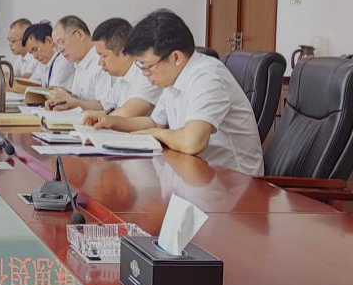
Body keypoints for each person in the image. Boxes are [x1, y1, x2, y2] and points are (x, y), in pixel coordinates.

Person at [84, 10, 263, 176]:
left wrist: (156, 133)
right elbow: (155, 122)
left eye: (147, 66)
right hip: (197, 173)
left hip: (236, 183)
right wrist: (112, 122)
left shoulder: (207, 77)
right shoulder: (173, 77)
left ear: (176, 57)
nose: (145, 74)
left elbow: (193, 142)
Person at [48, 18, 160, 117]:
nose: (100, 62)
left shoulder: (145, 74)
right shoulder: (122, 76)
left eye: (104, 56)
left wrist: (97, 117)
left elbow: (127, 113)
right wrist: (71, 103)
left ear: (125, 53)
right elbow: (102, 106)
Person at [46, 15, 111, 111]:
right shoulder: (79, 62)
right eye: (56, 46)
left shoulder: (101, 62)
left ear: (79, 35)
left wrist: (72, 102)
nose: (60, 50)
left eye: (61, 42)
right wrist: (64, 96)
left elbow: (105, 108)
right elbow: (81, 99)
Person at [22, 21, 74, 90]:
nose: (35, 57)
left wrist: (14, 87)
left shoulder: (62, 60)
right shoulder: (43, 63)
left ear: (49, 41)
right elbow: (32, 84)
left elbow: (52, 92)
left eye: (35, 49)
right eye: (32, 53)